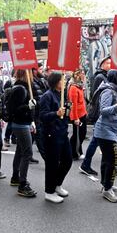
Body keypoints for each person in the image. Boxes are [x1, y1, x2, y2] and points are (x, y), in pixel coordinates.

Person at [40, 72, 72, 203]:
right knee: (52, 163)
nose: (64, 82)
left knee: (68, 160)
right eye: (62, 80)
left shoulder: (61, 94)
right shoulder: (47, 96)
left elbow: (64, 114)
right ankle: (49, 191)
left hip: (63, 132)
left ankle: (57, 184)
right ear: (55, 82)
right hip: (51, 134)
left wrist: (68, 110)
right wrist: (56, 113)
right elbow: (42, 116)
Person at [94, 70, 117, 203]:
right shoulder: (108, 91)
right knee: (114, 160)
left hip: (111, 130)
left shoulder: (116, 90)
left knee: (107, 159)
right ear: (116, 78)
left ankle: (105, 184)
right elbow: (103, 110)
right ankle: (108, 189)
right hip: (105, 131)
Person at [80, 56, 111, 175]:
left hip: (101, 112)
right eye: (107, 63)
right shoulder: (100, 77)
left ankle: (86, 164)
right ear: (102, 64)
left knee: (97, 140)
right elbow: (97, 96)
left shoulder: (105, 76)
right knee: (96, 140)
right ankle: (86, 164)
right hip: (100, 113)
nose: (110, 65)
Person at [9, 69, 37, 197]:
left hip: (23, 123)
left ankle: (16, 177)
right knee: (27, 153)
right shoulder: (20, 88)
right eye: (30, 72)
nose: (32, 74)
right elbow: (14, 109)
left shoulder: (25, 87)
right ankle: (22, 184)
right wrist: (28, 107)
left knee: (20, 151)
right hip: (20, 124)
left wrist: (31, 120)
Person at [68, 69, 88, 160]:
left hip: (82, 114)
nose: (83, 75)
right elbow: (74, 105)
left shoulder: (79, 86)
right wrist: (76, 118)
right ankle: (73, 152)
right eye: (82, 74)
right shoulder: (73, 87)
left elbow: (82, 102)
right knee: (77, 135)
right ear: (77, 75)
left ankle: (77, 151)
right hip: (77, 116)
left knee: (81, 134)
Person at [32, 63, 49, 160]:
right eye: (40, 69)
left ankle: (27, 155)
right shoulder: (31, 82)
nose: (42, 70)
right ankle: (47, 159)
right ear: (34, 70)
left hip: (42, 112)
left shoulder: (42, 81)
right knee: (39, 135)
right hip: (35, 112)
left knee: (32, 136)